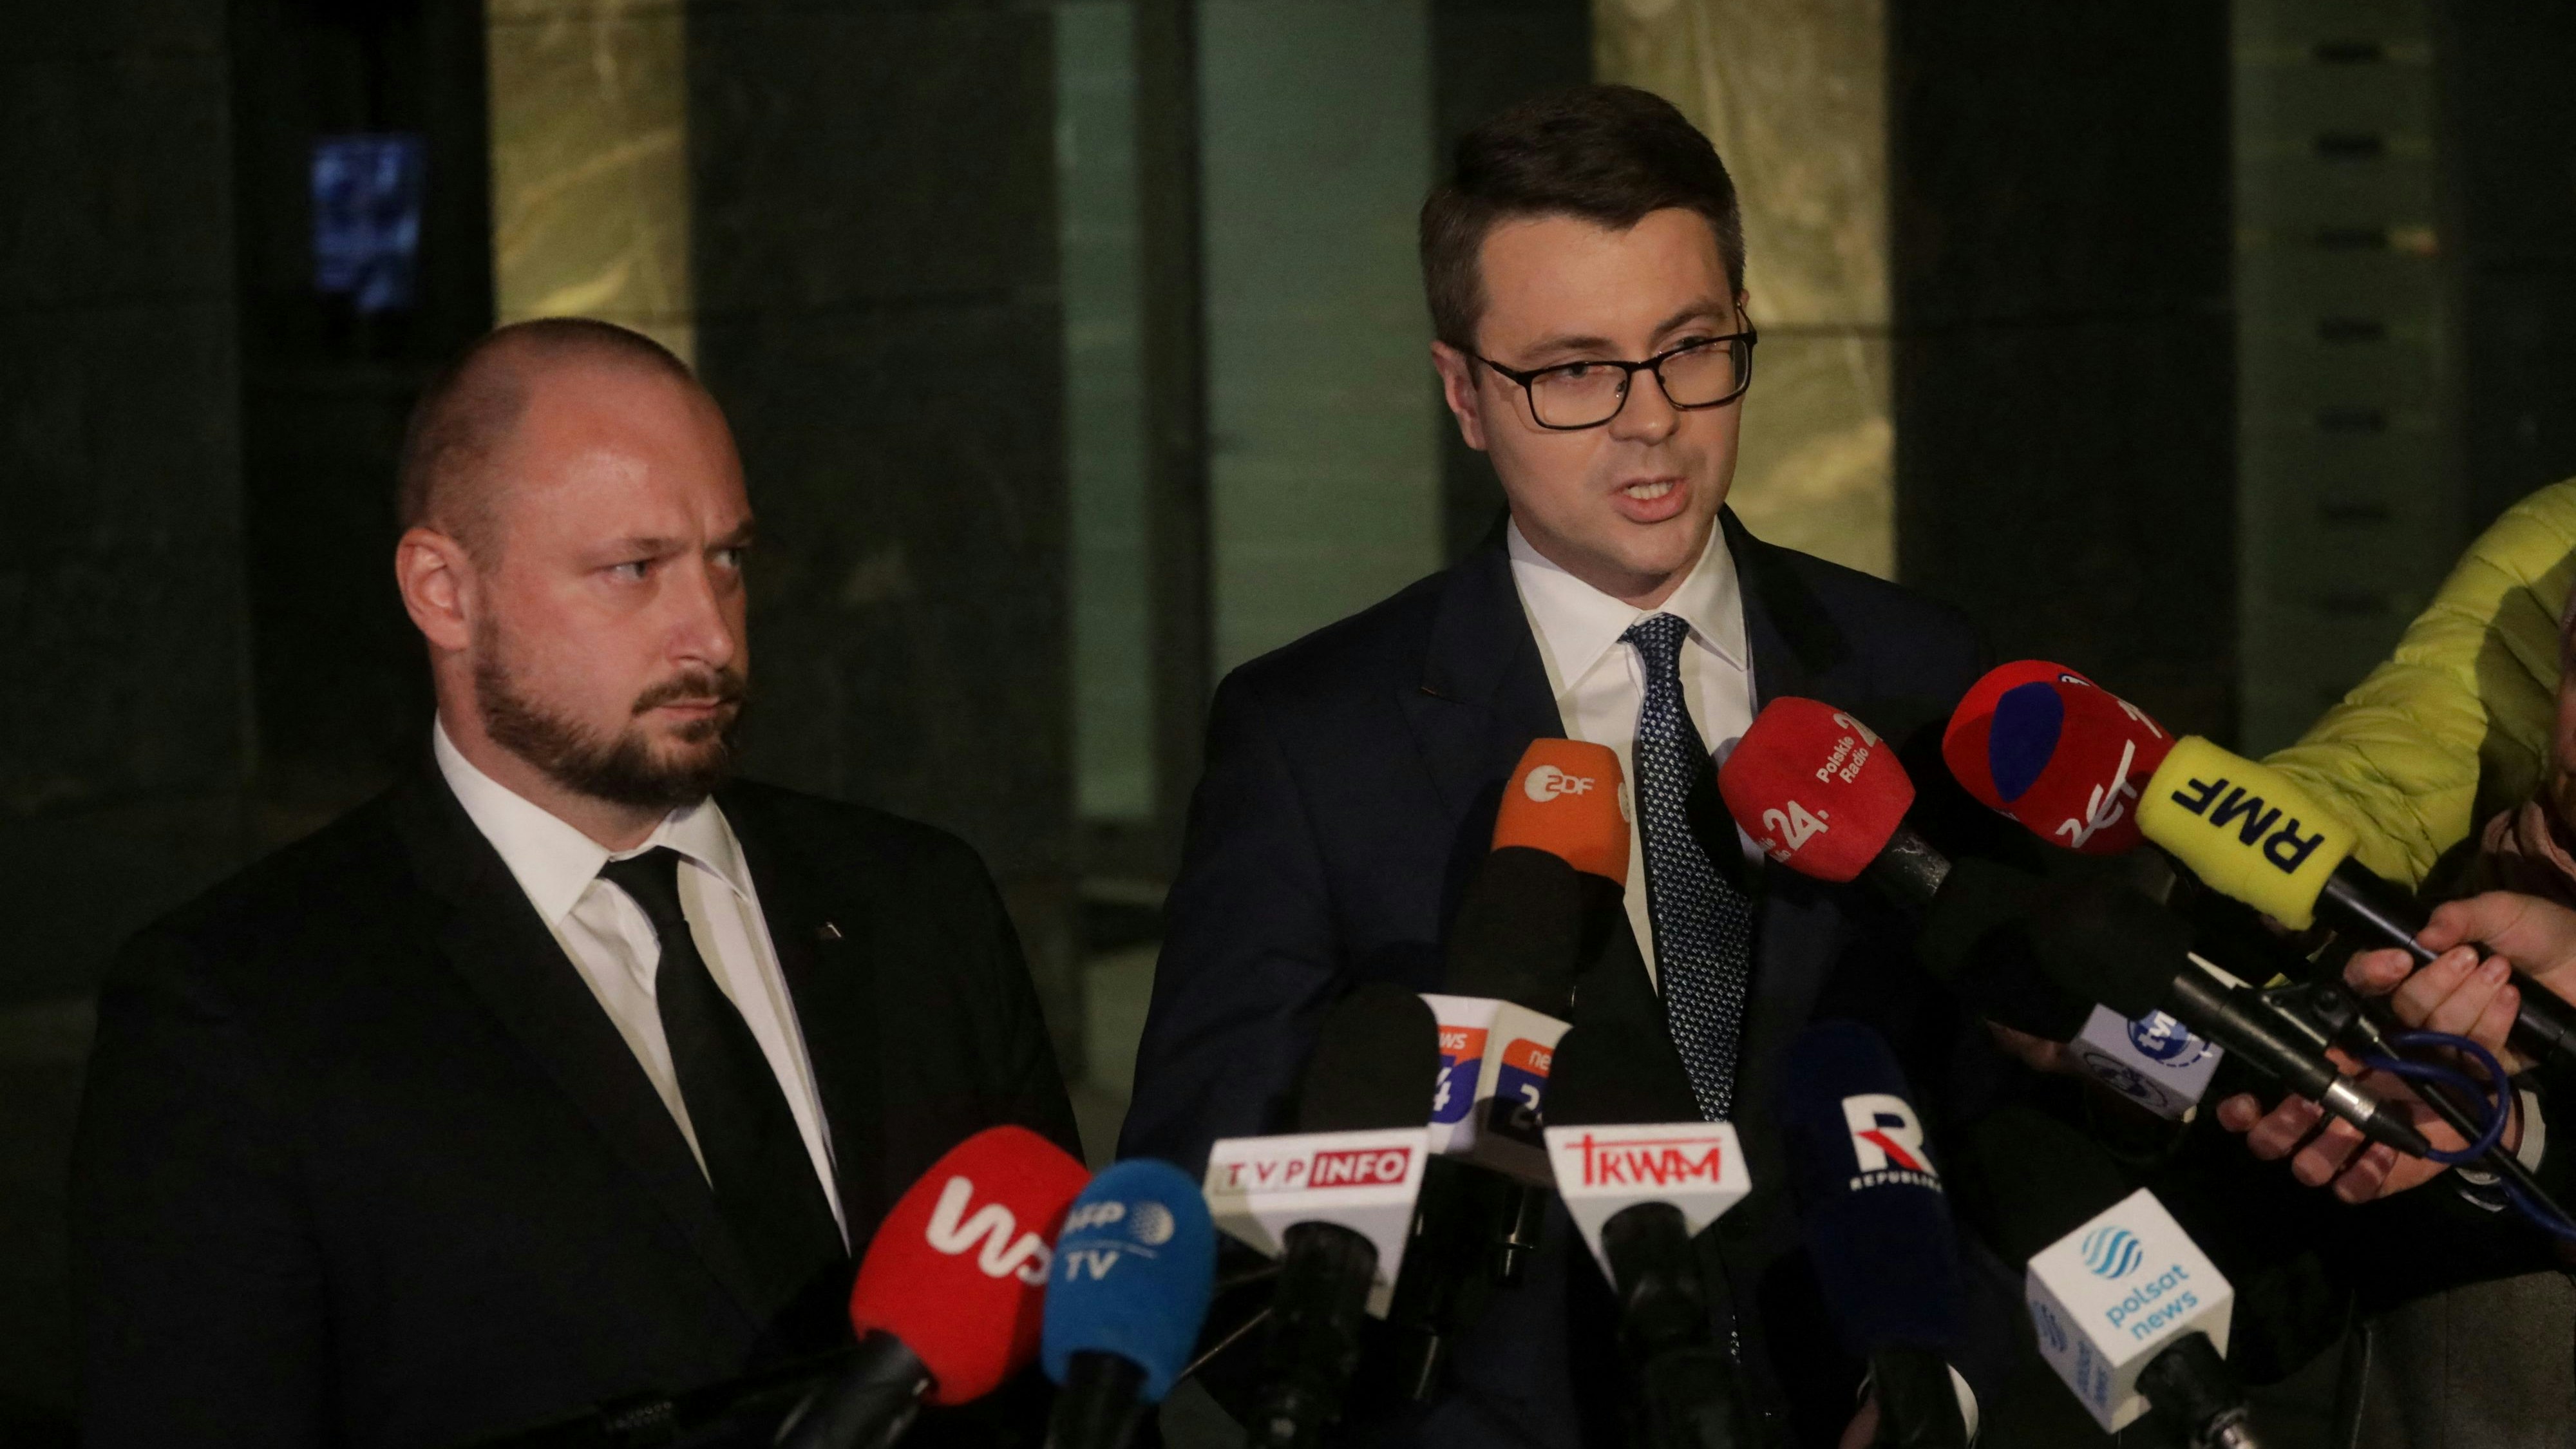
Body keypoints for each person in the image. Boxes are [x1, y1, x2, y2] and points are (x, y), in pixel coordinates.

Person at [1119, 86, 2013, 1448]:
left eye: (1689, 347)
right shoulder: (1311, 738)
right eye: (1574, 370)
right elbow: (1201, 1197)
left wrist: (1937, 1385)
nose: (1648, 418)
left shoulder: (1917, 676)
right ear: (1463, 395)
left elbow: (2011, 1113)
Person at [70, 319, 1079, 1447]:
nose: (711, 633)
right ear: (444, 591)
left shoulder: (918, 902)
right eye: (634, 569)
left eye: (729, 559)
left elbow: (1073, 1377)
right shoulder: (240, 1010)